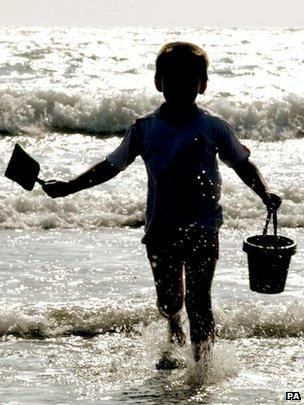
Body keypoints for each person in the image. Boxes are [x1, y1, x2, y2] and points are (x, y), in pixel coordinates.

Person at [42, 42, 282, 365]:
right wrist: (69, 186)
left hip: (203, 229)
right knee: (170, 301)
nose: (182, 85)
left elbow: (242, 164)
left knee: (199, 302)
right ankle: (173, 329)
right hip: (161, 231)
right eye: (173, 78)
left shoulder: (213, 127)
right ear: (158, 82)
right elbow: (111, 165)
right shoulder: (144, 128)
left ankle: (202, 368)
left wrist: (264, 192)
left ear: (203, 84)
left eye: (190, 79)